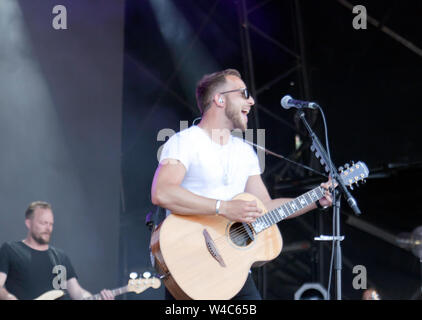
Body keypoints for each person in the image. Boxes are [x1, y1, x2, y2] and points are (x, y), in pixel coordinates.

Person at [151, 68, 334, 300]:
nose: (252, 100)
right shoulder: (184, 142)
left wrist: (315, 199)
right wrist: (223, 207)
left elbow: (265, 207)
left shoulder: (245, 152)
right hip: (192, 266)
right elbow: (162, 193)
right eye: (244, 93)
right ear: (219, 99)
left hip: (233, 273)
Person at [0, 201, 114, 300]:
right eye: (43, 223)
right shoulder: (10, 250)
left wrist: (97, 297)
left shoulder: (60, 257)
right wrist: (8, 297)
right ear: (28, 223)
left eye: (51, 224)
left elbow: (77, 292)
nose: (48, 228)